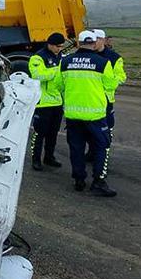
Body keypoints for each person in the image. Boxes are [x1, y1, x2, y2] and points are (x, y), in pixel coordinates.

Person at [55, 30, 118, 196]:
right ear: (93, 44)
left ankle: (79, 180)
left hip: (73, 115)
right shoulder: (103, 62)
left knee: (76, 148)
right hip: (95, 116)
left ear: (78, 43)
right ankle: (98, 181)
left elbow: (58, 85)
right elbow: (111, 85)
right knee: (100, 148)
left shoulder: (65, 62)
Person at [28, 32, 65, 171]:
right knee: (39, 133)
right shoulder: (38, 57)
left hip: (57, 102)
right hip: (43, 103)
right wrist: (57, 70)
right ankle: (36, 159)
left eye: (61, 46)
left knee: (53, 133)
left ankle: (49, 157)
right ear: (50, 44)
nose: (60, 49)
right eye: (57, 46)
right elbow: (38, 75)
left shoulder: (60, 56)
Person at [94, 29, 127, 177]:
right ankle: (92, 153)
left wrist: (107, 84)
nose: (93, 43)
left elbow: (121, 77)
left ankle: (103, 160)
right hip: (91, 100)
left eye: (96, 40)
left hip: (106, 100)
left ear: (103, 40)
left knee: (105, 131)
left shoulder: (114, 58)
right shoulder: (88, 55)